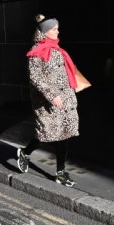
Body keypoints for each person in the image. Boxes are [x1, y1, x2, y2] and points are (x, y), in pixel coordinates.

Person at [17, 14, 80, 187]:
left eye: (57, 28)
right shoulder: (36, 52)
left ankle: (60, 173)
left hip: (65, 100)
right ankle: (25, 152)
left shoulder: (58, 50)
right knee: (45, 135)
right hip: (46, 102)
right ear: (45, 33)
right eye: (54, 29)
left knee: (64, 135)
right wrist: (52, 96)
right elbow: (36, 78)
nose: (58, 31)